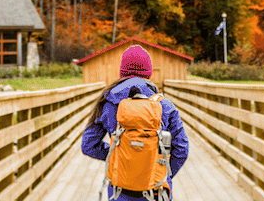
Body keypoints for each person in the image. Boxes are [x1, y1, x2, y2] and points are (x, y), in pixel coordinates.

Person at [81, 45, 190, 200]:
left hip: (120, 192)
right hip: (156, 192)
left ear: (122, 72)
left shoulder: (107, 102)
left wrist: (119, 156)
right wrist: (160, 172)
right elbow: (182, 149)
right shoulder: (165, 105)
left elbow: (88, 145)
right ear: (149, 73)